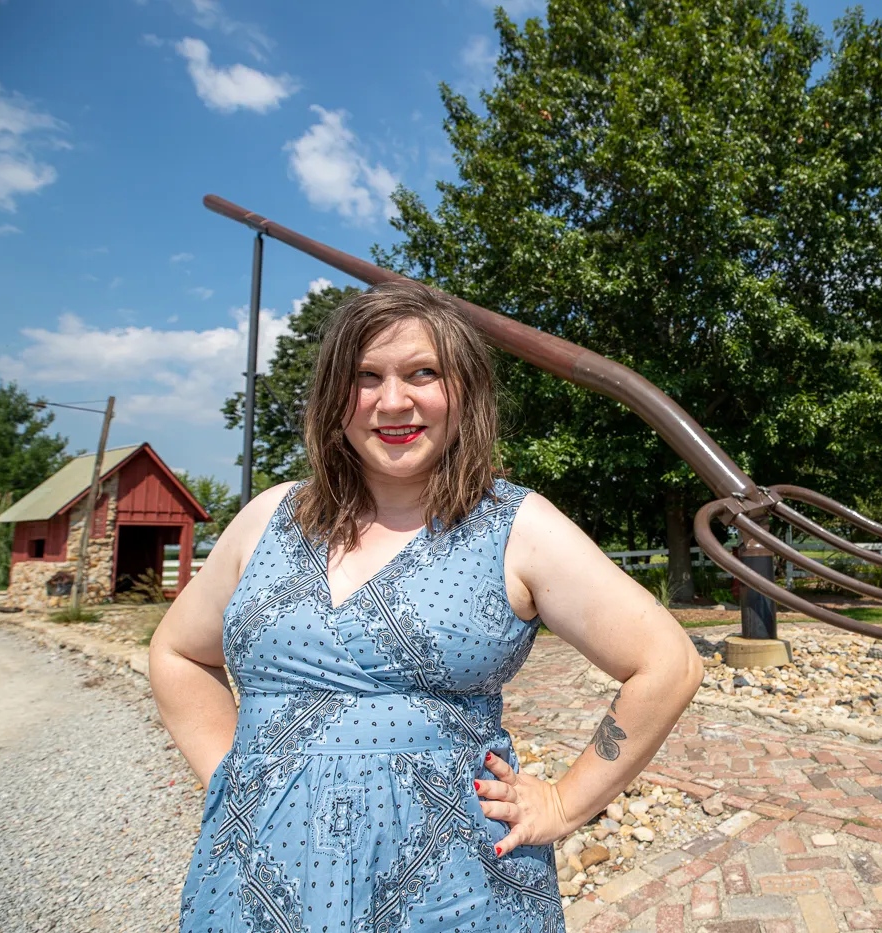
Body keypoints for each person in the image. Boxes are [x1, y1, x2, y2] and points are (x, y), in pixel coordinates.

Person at [149, 280, 704, 933]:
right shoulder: (268, 520)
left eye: (422, 373)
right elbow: (179, 652)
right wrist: (236, 777)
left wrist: (564, 799)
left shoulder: (514, 525)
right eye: (366, 376)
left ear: (462, 390)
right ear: (334, 397)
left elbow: (667, 663)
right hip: (251, 889)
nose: (392, 400)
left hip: (457, 896)